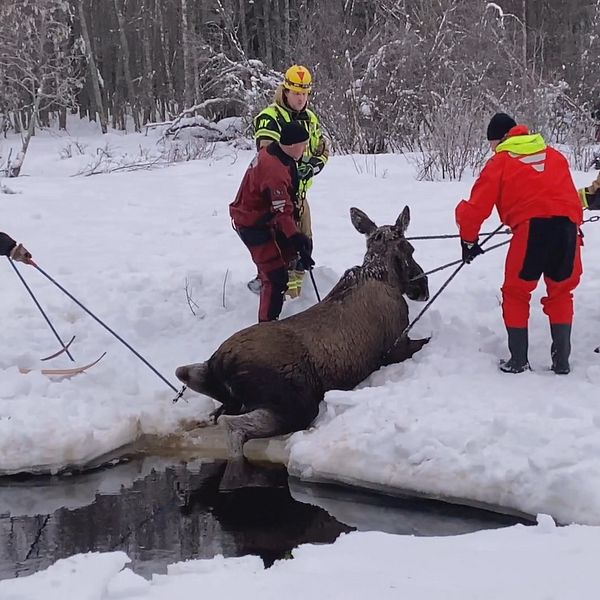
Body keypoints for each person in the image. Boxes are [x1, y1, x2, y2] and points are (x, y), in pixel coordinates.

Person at [455, 113, 583, 375]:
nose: (491, 148)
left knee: (516, 292)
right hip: (568, 230)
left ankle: (518, 361)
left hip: (531, 232)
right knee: (561, 293)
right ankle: (561, 361)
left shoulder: (500, 162)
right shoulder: (555, 156)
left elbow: (475, 209)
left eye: (491, 143)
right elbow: (568, 197)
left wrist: (468, 240)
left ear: (500, 139)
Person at [248, 64, 329, 298]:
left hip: (300, 197)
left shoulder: (310, 119)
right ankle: (271, 293)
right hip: (275, 198)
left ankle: (296, 298)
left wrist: (314, 165)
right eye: (296, 93)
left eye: (305, 94)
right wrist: (295, 170)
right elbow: (268, 159)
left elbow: (323, 149)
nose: (301, 98)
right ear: (285, 91)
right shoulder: (270, 118)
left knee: (304, 248)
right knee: (281, 252)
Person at [230, 122, 314, 323]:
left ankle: (273, 298)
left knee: (286, 257)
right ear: (293, 145)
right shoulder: (274, 170)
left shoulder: (277, 152)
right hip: (252, 224)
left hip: (264, 219)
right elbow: (281, 209)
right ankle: (267, 327)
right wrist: (296, 237)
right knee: (276, 276)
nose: (305, 149)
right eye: (303, 145)